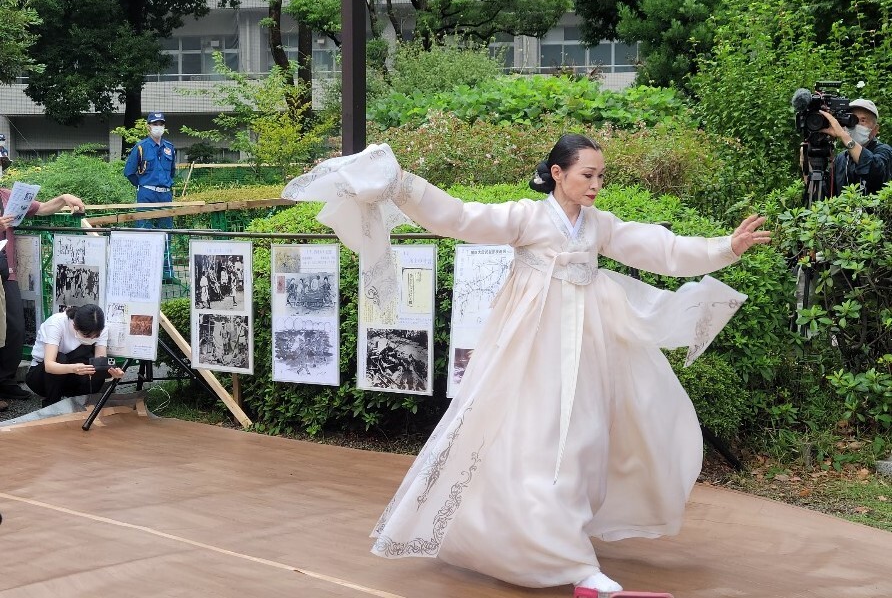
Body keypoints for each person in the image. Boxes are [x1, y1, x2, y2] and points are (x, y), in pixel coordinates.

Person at [282, 136, 771, 595]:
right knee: (530, 443)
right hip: (530, 346)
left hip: (587, 346)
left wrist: (724, 247)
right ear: (558, 173)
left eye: (601, 176)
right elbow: (458, 216)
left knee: (583, 443)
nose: (596, 185)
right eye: (587, 175)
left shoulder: (599, 225)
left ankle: (563, 543)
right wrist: (402, 184)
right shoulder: (526, 218)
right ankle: (568, 561)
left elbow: (659, 248)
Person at [0, 190, 86, 401]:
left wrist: (65, 198)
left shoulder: (7, 196)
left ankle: (5, 381)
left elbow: (42, 209)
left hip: (6, 271)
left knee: (15, 328)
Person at [24, 305, 124, 407]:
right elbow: (49, 365)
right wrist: (74, 368)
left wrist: (112, 372)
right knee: (60, 358)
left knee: (94, 364)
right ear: (74, 326)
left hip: (70, 376)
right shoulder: (56, 323)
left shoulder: (101, 327)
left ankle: (85, 403)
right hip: (42, 377)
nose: (92, 338)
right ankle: (51, 405)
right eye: (87, 335)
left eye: (96, 336)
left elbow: (100, 361)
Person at [123, 111, 177, 280]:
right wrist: (142, 186)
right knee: (143, 231)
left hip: (165, 195)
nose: (158, 127)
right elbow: (129, 172)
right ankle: (142, 272)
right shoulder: (140, 147)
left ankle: (167, 273)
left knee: (167, 233)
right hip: (146, 193)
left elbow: (172, 172)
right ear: (148, 126)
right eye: (155, 124)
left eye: (161, 124)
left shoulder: (170, 148)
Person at [821, 98, 892, 196]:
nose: (855, 125)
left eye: (862, 120)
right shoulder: (841, 159)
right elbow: (825, 196)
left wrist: (843, 135)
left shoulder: (884, 151)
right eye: (852, 120)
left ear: (875, 129)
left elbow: (875, 170)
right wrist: (808, 166)